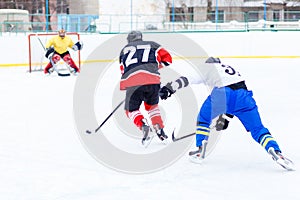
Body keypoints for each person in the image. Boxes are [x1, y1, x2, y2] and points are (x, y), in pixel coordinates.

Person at [159, 57, 295, 171]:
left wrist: (169, 88)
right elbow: (235, 95)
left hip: (222, 94)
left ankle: (201, 148)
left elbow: (187, 79)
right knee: (258, 129)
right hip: (244, 96)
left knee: (204, 119)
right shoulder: (230, 69)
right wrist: (226, 118)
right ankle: (275, 151)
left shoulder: (208, 67)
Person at [119, 30, 172, 146]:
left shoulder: (124, 50)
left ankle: (143, 125)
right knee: (152, 107)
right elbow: (168, 59)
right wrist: (153, 67)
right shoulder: (153, 44)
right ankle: (159, 129)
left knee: (131, 110)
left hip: (133, 82)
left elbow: (123, 71)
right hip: (153, 80)